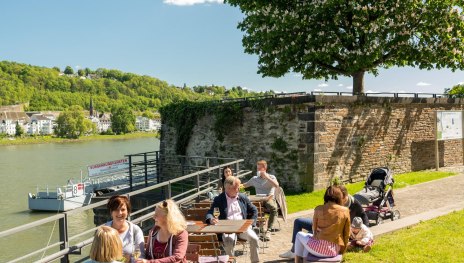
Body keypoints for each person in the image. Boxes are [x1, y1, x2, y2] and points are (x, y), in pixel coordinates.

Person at [279, 184, 369, 259]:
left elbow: (362, 216)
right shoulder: (343, 210)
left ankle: (298, 257)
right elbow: (345, 234)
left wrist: (363, 231)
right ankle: (293, 251)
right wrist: (341, 251)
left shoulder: (351, 205)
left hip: (329, 238)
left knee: (305, 235)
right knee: (299, 221)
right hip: (333, 246)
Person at [206, 176, 260, 263]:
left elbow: (254, 210)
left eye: (238, 187)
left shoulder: (242, 197)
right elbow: (210, 213)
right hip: (228, 229)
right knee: (228, 242)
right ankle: (231, 261)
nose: (238, 190)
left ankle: (255, 261)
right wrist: (211, 219)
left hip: (243, 228)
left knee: (255, 239)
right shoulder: (219, 199)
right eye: (236, 188)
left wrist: (251, 224)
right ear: (227, 188)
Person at [294, 186, 350, 262]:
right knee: (308, 239)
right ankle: (304, 260)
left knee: (299, 234)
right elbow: (346, 234)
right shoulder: (345, 211)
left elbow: (314, 230)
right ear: (339, 196)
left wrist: (318, 233)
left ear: (326, 196)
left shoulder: (318, 209)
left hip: (319, 250)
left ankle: (297, 261)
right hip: (334, 251)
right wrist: (342, 252)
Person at [242, 160, 279, 238]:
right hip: (257, 199)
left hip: (268, 198)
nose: (258, 170)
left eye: (260, 169)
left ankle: (268, 230)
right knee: (247, 206)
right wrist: (234, 183)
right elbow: (244, 185)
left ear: (265, 168)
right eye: (257, 169)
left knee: (273, 208)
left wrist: (267, 177)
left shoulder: (271, 177)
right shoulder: (254, 179)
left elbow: (276, 185)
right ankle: (254, 227)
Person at [106, 195, 145, 263]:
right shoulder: (104, 231)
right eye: (116, 209)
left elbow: (140, 256)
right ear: (111, 212)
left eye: (123, 209)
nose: (120, 213)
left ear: (128, 212)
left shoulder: (135, 230)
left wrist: (131, 259)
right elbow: (99, 255)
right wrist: (125, 259)